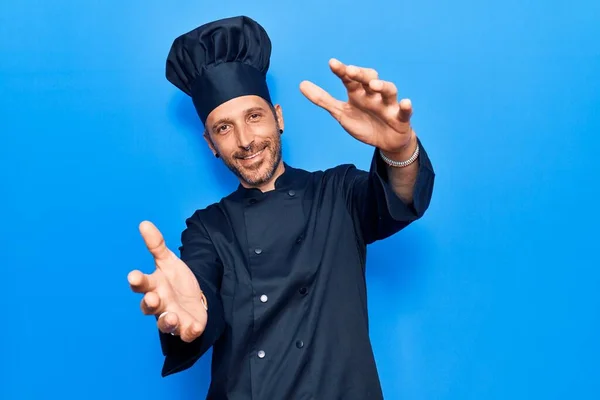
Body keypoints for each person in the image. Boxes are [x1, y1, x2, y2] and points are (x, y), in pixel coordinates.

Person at [128, 15, 435, 400]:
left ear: (278, 117)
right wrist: (192, 313)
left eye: (254, 117)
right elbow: (197, 292)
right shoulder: (208, 227)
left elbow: (398, 198)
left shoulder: (337, 191)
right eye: (224, 128)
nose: (245, 140)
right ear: (210, 144)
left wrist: (398, 149)